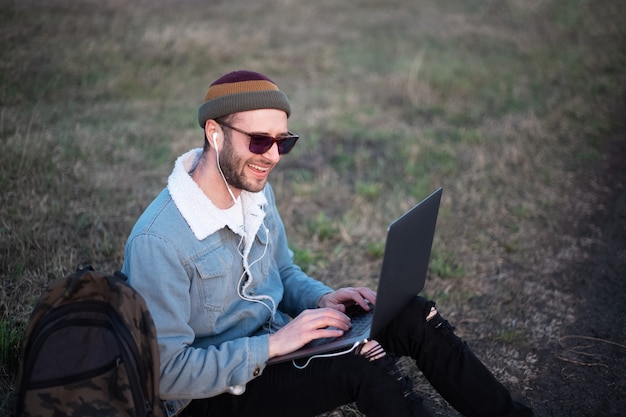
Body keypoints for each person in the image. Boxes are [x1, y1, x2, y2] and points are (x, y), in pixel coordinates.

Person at [122, 70, 533, 417]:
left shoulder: (252, 189)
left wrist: (322, 300)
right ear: (214, 133)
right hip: (211, 397)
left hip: (277, 348)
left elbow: (281, 271)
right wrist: (276, 344)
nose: (274, 156)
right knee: (363, 366)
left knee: (410, 313)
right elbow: (169, 374)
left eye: (283, 141)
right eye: (259, 140)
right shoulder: (157, 241)